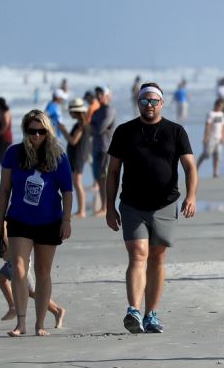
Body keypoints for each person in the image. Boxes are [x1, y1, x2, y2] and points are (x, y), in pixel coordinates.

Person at [106, 82, 198, 334]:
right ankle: (133, 310)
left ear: (162, 103)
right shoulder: (124, 132)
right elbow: (112, 172)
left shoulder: (176, 131)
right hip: (132, 205)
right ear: (138, 103)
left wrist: (191, 196)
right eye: (145, 101)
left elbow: (190, 167)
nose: (149, 105)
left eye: (154, 101)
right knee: (137, 253)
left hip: (166, 205)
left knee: (157, 258)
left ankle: (151, 314)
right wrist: (109, 207)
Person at [0, 110, 73, 337]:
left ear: (48, 132)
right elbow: (4, 190)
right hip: (19, 219)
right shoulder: (14, 154)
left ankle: (40, 324)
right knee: (18, 268)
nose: (36, 136)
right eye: (32, 131)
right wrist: (0, 223)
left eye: (41, 131)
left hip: (50, 221)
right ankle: (21, 323)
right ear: (25, 131)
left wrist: (66, 220)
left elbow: (67, 191)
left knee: (43, 272)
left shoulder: (58, 156)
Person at [0, 194, 65, 326]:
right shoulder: (6, 219)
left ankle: (57, 310)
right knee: (0, 278)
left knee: (31, 291)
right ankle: (12, 305)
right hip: (17, 259)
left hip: (16, 261)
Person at [60, 98, 91, 218]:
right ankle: (80, 210)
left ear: (76, 112)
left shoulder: (81, 125)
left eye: (71, 111)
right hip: (77, 155)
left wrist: (63, 130)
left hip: (78, 156)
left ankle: (81, 211)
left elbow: (73, 141)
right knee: (76, 182)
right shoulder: (81, 124)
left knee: (77, 182)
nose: (70, 113)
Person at [90, 86, 116, 216]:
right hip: (96, 147)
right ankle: (102, 206)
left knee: (105, 178)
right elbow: (91, 129)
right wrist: (93, 127)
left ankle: (106, 207)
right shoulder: (96, 111)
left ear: (106, 96)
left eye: (100, 94)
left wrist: (93, 127)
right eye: (97, 95)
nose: (98, 97)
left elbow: (98, 128)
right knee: (99, 178)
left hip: (105, 148)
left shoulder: (109, 110)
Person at [196, 98, 224, 177]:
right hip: (211, 138)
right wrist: (206, 137)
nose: (221, 108)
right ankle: (196, 168)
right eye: (220, 106)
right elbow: (208, 125)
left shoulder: (222, 114)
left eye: (222, 106)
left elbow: (223, 126)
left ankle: (215, 172)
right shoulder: (211, 114)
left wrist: (223, 137)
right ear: (216, 105)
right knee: (206, 154)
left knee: (217, 156)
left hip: (219, 138)